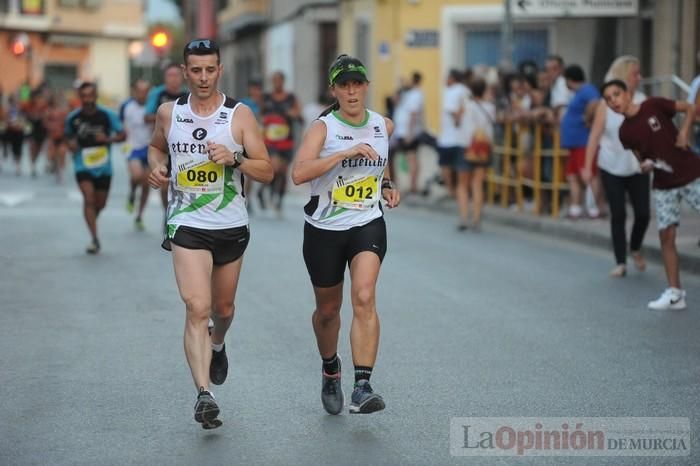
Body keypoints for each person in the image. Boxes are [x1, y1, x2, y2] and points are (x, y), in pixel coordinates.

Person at [147, 38, 273, 428]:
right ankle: (204, 394)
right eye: (195, 70)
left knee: (223, 310)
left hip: (230, 224)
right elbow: (155, 148)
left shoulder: (239, 115)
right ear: (185, 72)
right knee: (196, 307)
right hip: (186, 222)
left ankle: (218, 344)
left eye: (210, 70)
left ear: (220, 70)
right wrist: (156, 168)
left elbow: (267, 169)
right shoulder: (169, 113)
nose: (203, 77)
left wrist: (235, 158)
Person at [292, 54, 401, 415]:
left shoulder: (382, 124)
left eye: (358, 84)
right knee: (327, 311)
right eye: (344, 85)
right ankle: (330, 367)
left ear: (366, 86)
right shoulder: (322, 128)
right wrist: (343, 153)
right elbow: (299, 173)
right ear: (334, 90)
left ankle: (363, 385)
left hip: (366, 221)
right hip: (324, 228)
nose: (352, 91)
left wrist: (386, 184)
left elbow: (381, 158)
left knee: (365, 296)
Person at [602, 79, 700, 310]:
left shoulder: (653, 105)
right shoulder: (624, 132)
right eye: (608, 99)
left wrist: (684, 132)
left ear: (627, 94)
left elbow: (690, 107)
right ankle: (675, 294)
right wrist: (645, 165)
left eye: (616, 94)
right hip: (664, 183)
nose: (613, 101)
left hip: (690, 173)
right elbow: (641, 158)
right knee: (666, 236)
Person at [583, 56, 649, 277]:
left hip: (638, 166)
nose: (639, 77)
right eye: (634, 74)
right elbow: (594, 136)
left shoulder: (643, 100)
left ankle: (635, 247)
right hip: (611, 165)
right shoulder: (606, 103)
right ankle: (620, 261)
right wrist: (587, 167)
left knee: (643, 214)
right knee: (618, 213)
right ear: (623, 76)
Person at [65, 82, 126, 254]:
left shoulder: (107, 115)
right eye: (84, 96)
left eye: (90, 95)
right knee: (89, 198)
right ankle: (94, 238)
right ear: (80, 97)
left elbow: (122, 135)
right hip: (82, 164)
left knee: (101, 203)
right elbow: (68, 137)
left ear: (95, 96)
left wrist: (107, 140)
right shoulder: (73, 118)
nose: (87, 99)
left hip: (103, 166)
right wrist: (71, 145)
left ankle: (92, 217)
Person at [560, 65, 605, 218]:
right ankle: (575, 208)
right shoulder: (578, 93)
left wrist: (586, 117)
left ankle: (595, 209)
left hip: (583, 142)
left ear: (569, 79)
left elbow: (595, 102)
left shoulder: (587, 89)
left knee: (589, 175)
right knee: (572, 176)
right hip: (575, 143)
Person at [145, 63, 188, 216]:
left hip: (182, 146)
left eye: (176, 75)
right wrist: (166, 118)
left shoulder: (187, 95)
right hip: (162, 145)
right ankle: (167, 213)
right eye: (170, 75)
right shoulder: (157, 94)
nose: (173, 79)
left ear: (182, 77)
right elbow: (147, 116)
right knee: (164, 184)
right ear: (165, 78)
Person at [458, 78, 496, 232]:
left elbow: (464, 127)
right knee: (478, 183)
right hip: (483, 149)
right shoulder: (490, 107)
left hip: (466, 147)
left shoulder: (467, 106)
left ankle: (463, 218)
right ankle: (476, 219)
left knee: (463, 185)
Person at [262, 71, 301, 216]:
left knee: (283, 172)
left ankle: (279, 199)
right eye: (274, 81)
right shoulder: (266, 98)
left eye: (279, 80)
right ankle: (271, 192)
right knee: (274, 167)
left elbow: (298, 113)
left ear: (283, 82)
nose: (276, 83)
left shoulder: (291, 98)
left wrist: (291, 113)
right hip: (270, 140)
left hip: (286, 139)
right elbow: (260, 115)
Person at [123, 79, 152, 230]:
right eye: (139, 91)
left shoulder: (152, 107)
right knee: (136, 176)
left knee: (147, 184)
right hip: (133, 147)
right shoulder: (128, 107)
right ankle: (132, 192)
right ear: (134, 92)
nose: (142, 94)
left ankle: (140, 215)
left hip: (149, 148)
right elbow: (122, 127)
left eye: (145, 91)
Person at [437, 69, 468, 199]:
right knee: (460, 167)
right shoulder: (465, 90)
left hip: (449, 138)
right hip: (462, 138)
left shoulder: (453, 91)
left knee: (446, 165)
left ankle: (451, 191)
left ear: (453, 78)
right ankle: (461, 191)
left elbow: (452, 109)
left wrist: (457, 120)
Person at [394, 71, 425, 194]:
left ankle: (413, 186)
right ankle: (410, 185)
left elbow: (413, 114)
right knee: (408, 158)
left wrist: (409, 133)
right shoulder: (407, 94)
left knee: (412, 158)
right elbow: (395, 100)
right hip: (402, 132)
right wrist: (400, 87)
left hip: (408, 133)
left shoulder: (416, 94)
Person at [44, 94, 69, 183]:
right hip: (52, 135)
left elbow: (67, 122)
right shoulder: (48, 111)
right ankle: (55, 167)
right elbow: (45, 122)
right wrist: (50, 126)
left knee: (62, 152)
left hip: (62, 135)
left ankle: (60, 172)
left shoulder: (64, 111)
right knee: (52, 155)